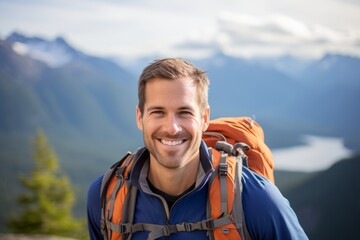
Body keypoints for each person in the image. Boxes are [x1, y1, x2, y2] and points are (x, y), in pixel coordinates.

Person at [87, 57, 308, 239]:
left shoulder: (255, 200)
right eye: (158, 112)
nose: (172, 128)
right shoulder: (105, 197)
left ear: (204, 119)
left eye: (184, 112)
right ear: (139, 117)